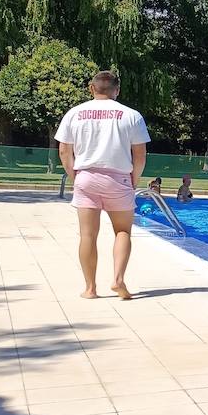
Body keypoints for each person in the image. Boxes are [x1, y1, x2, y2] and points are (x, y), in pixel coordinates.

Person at [55, 70, 150, 300]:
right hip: (119, 178)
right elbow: (140, 155)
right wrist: (134, 179)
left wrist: (75, 176)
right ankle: (118, 279)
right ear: (117, 90)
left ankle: (90, 288)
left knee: (87, 235)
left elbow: (64, 150)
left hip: (86, 176)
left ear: (91, 88)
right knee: (123, 231)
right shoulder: (131, 115)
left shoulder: (74, 114)